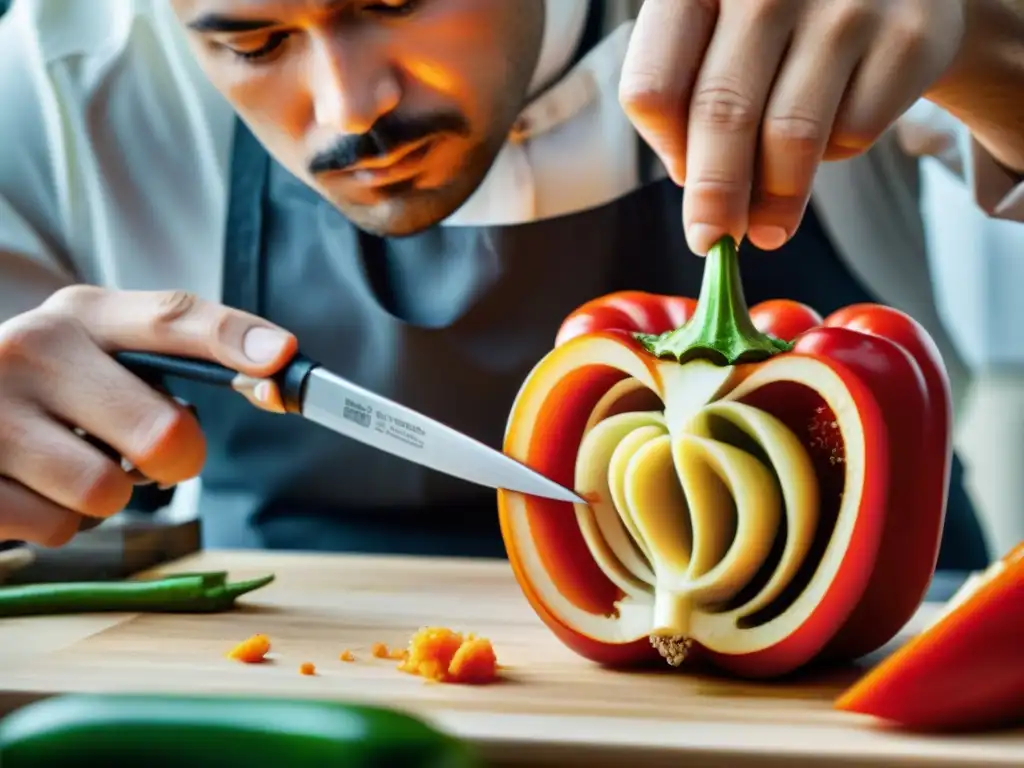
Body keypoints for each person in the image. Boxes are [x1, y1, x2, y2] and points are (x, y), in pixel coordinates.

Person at [0, 0, 1021, 566]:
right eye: (249, 40)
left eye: (396, 0)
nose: (350, 109)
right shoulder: (59, 78)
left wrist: (988, 40)